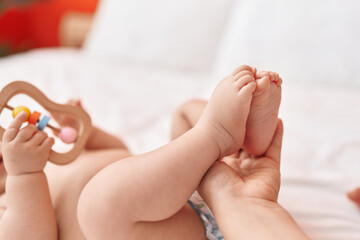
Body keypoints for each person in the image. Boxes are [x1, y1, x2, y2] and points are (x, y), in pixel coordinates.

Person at [0, 65, 307, 239]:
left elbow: (120, 153)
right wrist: (23, 174)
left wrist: (90, 136)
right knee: (99, 204)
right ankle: (217, 135)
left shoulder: (50, 161)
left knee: (184, 115)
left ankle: (246, 144)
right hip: (167, 231)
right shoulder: (9, 198)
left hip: (178, 197)